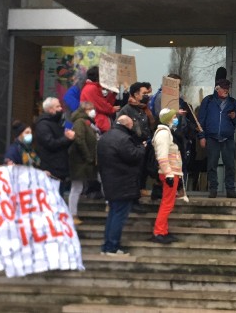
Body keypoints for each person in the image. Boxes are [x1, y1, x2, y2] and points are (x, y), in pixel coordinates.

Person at [97, 115, 146, 256]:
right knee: (118, 216)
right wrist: (142, 148)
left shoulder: (105, 137)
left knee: (113, 214)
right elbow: (133, 156)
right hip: (123, 184)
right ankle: (112, 246)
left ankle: (107, 246)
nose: (132, 128)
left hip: (109, 182)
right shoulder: (124, 139)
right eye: (131, 125)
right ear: (126, 125)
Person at [197, 78, 236, 198]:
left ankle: (230, 189)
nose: (226, 90)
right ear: (217, 89)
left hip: (227, 139)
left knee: (230, 165)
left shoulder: (233, 103)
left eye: (227, 88)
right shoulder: (208, 101)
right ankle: (213, 189)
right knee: (211, 165)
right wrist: (202, 137)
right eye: (223, 88)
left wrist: (234, 116)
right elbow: (200, 120)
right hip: (211, 138)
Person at [150, 108, 183, 244]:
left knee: (167, 203)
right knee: (167, 204)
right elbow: (162, 156)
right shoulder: (164, 134)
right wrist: (169, 174)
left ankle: (163, 231)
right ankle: (159, 231)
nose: (175, 118)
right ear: (167, 119)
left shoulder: (166, 132)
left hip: (171, 172)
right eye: (173, 117)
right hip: (169, 173)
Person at [35, 97, 75, 196]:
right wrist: (67, 139)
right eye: (57, 106)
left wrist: (68, 139)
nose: (60, 109)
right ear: (50, 109)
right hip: (51, 171)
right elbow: (51, 144)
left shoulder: (56, 123)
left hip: (59, 170)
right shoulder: (43, 125)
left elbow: (61, 145)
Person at [67, 101, 98, 225]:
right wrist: (88, 156)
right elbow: (80, 140)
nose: (93, 111)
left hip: (83, 160)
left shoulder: (86, 123)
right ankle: (72, 214)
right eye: (91, 108)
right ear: (85, 109)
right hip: (79, 161)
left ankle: (73, 214)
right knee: (76, 187)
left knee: (78, 187)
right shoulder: (80, 122)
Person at [80, 67, 120, 133]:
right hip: (99, 124)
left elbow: (103, 102)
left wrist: (113, 93)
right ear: (97, 77)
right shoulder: (92, 88)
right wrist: (112, 109)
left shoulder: (92, 87)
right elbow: (102, 105)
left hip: (100, 123)